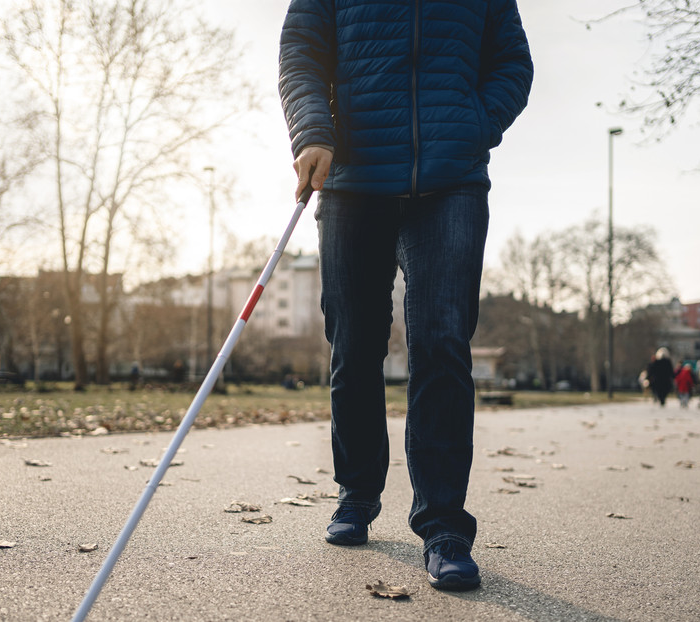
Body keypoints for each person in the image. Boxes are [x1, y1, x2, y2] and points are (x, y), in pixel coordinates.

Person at [279, 0, 533, 592]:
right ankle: (358, 492)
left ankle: (444, 526)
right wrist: (313, 130)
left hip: (450, 180)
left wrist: (473, 125)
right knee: (354, 343)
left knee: (442, 341)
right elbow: (301, 53)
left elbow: (512, 65)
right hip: (353, 180)